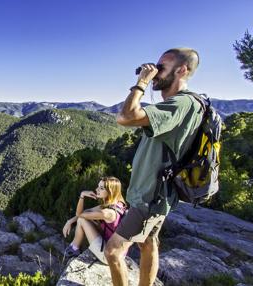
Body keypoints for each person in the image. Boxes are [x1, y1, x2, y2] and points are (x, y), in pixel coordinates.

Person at [105, 48, 204, 286]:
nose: (156, 72)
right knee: (147, 243)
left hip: (150, 196)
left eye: (162, 67)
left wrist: (141, 83)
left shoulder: (181, 103)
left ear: (182, 70)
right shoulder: (180, 104)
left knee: (113, 251)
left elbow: (126, 117)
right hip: (154, 192)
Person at [62, 176, 127, 264]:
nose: (97, 189)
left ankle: (74, 248)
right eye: (98, 186)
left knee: (82, 219)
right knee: (84, 217)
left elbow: (80, 214)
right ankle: (74, 247)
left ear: (110, 191)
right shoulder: (118, 204)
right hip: (118, 251)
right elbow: (87, 212)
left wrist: (82, 195)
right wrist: (70, 221)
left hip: (109, 256)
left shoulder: (107, 213)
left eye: (101, 188)